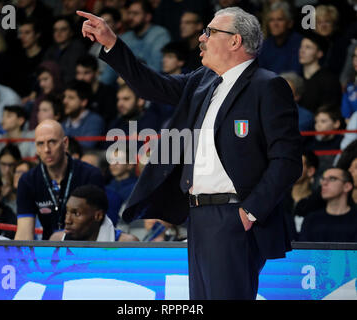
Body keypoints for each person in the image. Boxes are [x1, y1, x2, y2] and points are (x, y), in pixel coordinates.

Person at [78, 6, 302, 300]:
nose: (201, 37)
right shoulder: (203, 81)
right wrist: (112, 44)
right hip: (198, 215)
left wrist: (250, 212)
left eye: (210, 32)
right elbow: (152, 85)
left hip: (235, 215)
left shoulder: (268, 86)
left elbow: (286, 161)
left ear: (235, 41)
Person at [15, 119, 104, 240]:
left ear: (65, 143)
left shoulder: (90, 175)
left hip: (85, 248)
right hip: (50, 250)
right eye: (40, 144)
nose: (46, 149)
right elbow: (24, 234)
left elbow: (97, 225)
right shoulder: (27, 180)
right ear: (36, 147)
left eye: (52, 142)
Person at [99, 0, 171, 86]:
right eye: (129, 13)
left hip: (152, 86)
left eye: (135, 13)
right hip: (123, 89)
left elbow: (157, 69)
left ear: (147, 16)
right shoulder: (125, 37)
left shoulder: (160, 34)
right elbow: (109, 73)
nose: (130, 17)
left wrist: (129, 77)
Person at [49, 184, 139, 241]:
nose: (67, 220)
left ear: (98, 215)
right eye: (67, 212)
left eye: (76, 214)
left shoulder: (126, 244)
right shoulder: (57, 240)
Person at [299, 167, 357, 242]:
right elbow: (303, 252)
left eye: (332, 179)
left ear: (347, 186)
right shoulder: (311, 219)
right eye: (323, 179)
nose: (324, 183)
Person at [298, 31, 342, 114]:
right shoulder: (297, 78)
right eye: (301, 46)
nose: (302, 51)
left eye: (308, 47)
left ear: (319, 53)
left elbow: (330, 110)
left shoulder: (329, 80)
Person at [258, 1, 302, 75]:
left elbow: (296, 74)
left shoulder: (300, 43)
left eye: (280, 19)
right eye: (271, 20)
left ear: (290, 23)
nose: (275, 24)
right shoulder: (265, 45)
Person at [61, 80, 105, 151]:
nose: (65, 101)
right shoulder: (63, 123)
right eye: (64, 97)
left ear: (83, 102)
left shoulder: (94, 121)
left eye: (71, 98)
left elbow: (86, 148)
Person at [75, 54, 117, 126]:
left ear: (97, 72)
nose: (81, 77)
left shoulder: (108, 93)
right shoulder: (74, 93)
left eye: (86, 73)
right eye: (78, 73)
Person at [43, 15, 87, 84]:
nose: (58, 33)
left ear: (71, 32)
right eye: (55, 30)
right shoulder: (50, 50)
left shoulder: (77, 48)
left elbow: (71, 75)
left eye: (63, 29)